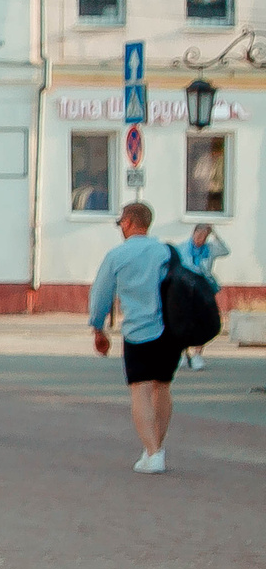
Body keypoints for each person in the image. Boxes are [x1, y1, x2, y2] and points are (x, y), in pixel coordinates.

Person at [90, 201, 179, 473]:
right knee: (162, 388)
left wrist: (98, 328)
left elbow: (101, 295)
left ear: (128, 222)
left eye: (121, 223)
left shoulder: (117, 256)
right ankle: (155, 450)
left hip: (138, 332)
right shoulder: (166, 252)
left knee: (140, 390)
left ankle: (153, 453)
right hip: (170, 332)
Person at [177, 223, 224, 370]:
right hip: (185, 289)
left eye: (204, 236)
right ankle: (183, 354)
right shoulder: (182, 248)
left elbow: (225, 250)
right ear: (193, 233)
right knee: (184, 321)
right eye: (198, 235)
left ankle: (197, 355)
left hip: (203, 289)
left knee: (201, 321)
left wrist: (215, 234)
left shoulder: (209, 249)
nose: (200, 239)